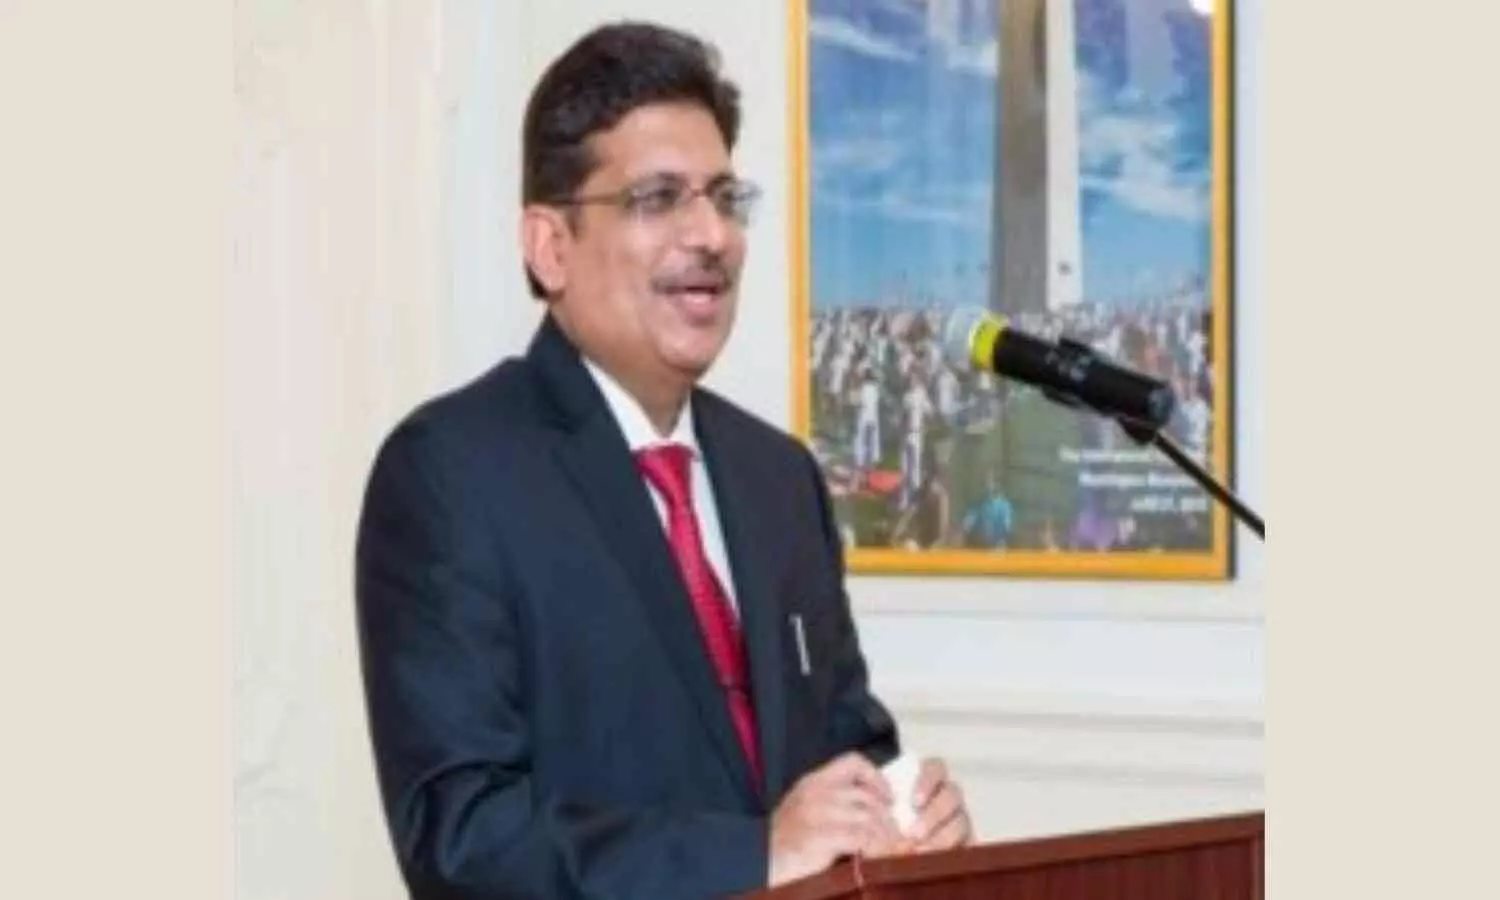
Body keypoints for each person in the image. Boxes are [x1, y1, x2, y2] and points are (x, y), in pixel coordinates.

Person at [354, 21, 972, 900]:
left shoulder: (779, 478)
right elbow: (462, 839)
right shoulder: (452, 473)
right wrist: (754, 855)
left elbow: (846, 749)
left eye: (724, 196)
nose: (712, 234)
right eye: (658, 198)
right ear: (550, 246)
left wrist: (906, 813)